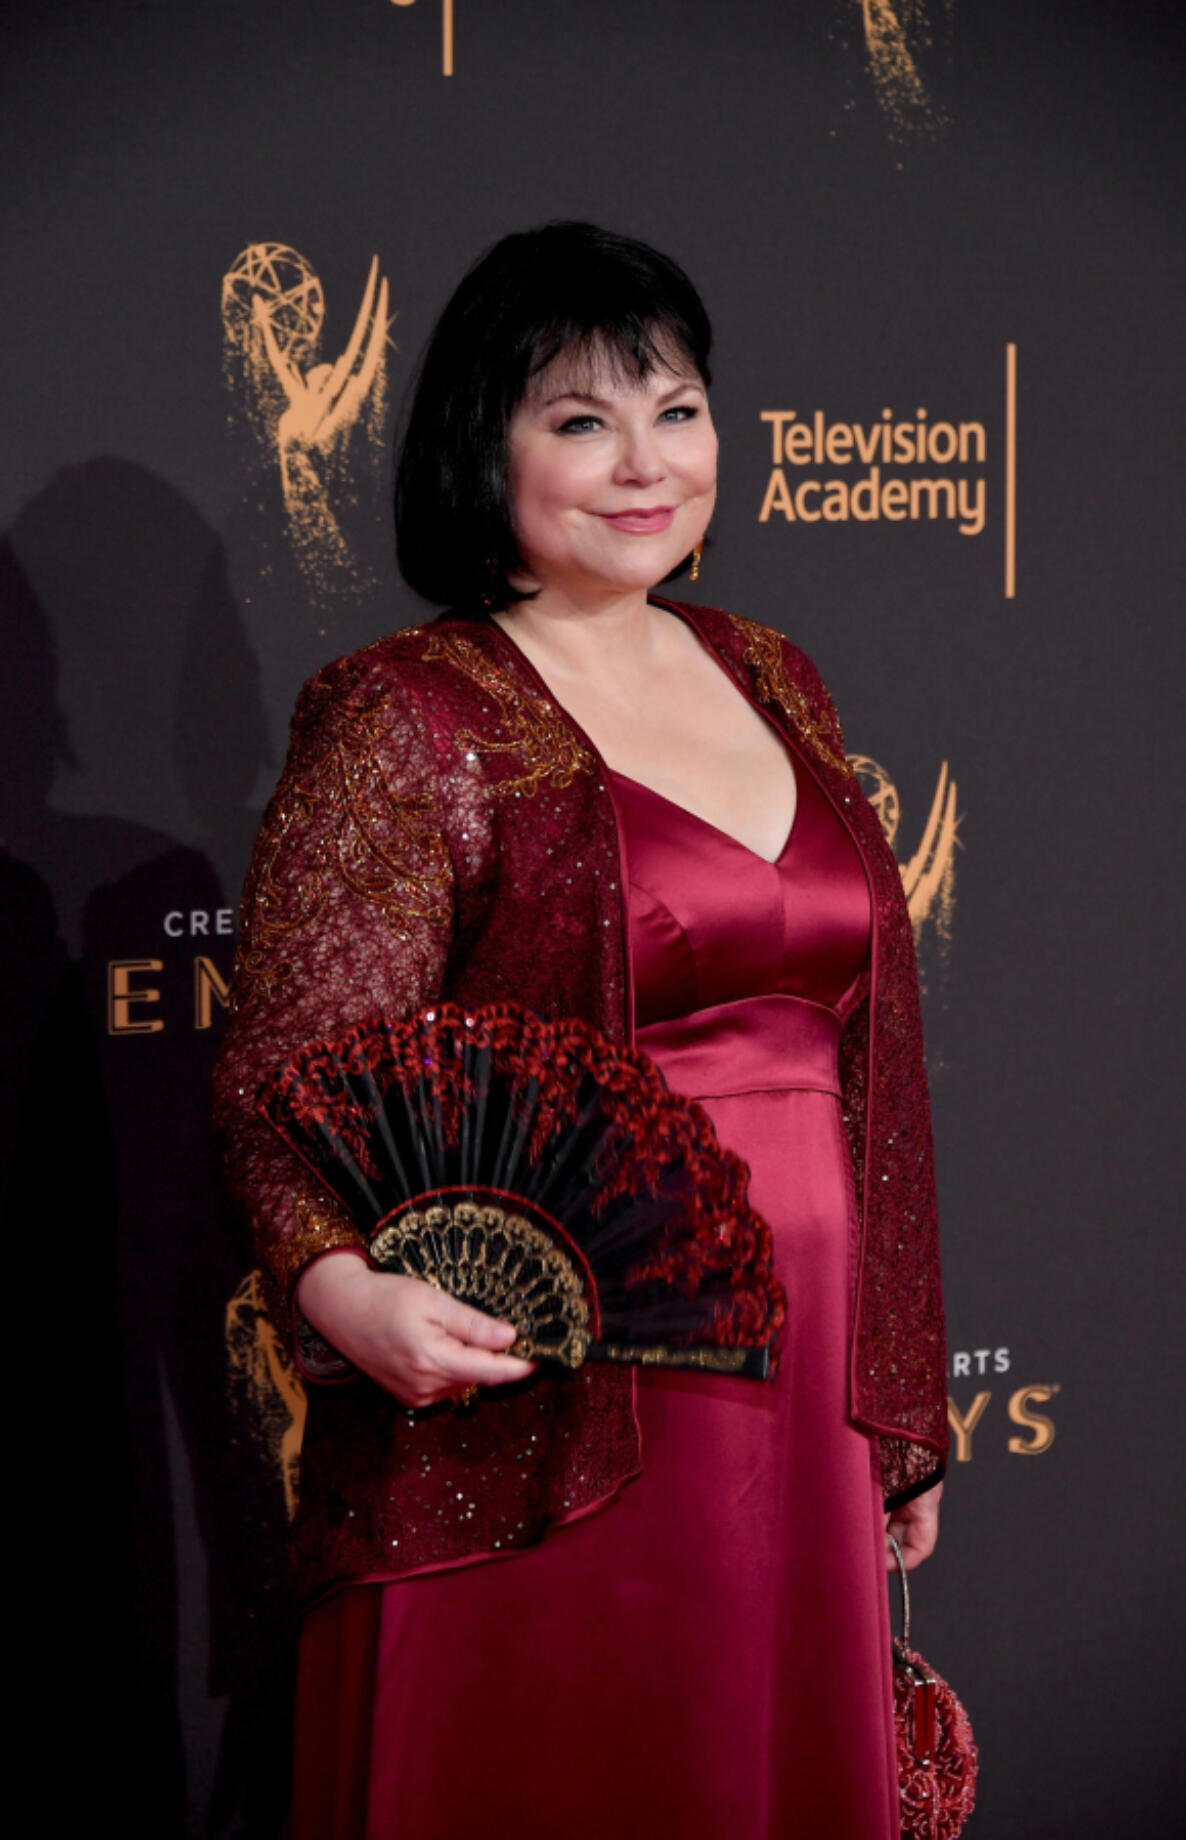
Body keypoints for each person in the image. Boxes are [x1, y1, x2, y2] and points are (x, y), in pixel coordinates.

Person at [211, 221, 949, 1840]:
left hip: (802, 1365)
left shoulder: (774, 675)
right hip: (538, 1384)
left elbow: (863, 1075)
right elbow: (288, 1074)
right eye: (578, 419)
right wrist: (343, 1293)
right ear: (485, 445)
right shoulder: (412, 713)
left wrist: (895, 1394)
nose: (644, 464)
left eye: (675, 411)